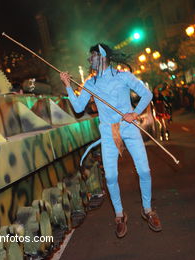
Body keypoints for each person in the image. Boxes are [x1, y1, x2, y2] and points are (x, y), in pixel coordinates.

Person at [60, 43, 162, 238]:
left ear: (103, 57)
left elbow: (146, 94)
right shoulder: (90, 83)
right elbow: (79, 107)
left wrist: (134, 113)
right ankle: (119, 215)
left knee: (144, 170)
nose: (89, 60)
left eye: (92, 57)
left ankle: (147, 209)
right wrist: (67, 86)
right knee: (110, 177)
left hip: (129, 128)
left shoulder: (123, 76)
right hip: (108, 133)